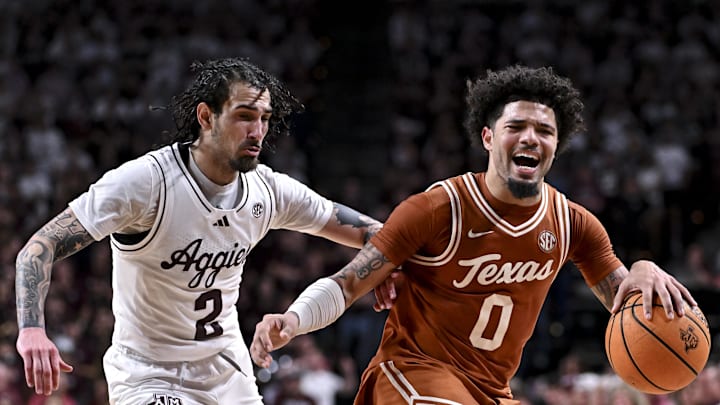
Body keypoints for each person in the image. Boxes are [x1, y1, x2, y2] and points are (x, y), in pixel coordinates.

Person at [250, 65, 698, 405]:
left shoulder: (573, 224)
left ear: (556, 146)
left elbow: (624, 301)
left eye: (544, 130)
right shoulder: (438, 208)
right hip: (414, 374)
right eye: (516, 127)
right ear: (488, 137)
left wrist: (643, 268)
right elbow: (349, 283)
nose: (531, 137)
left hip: (492, 392)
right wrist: (292, 320)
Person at [15, 57, 384, 404]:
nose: (257, 131)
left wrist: (384, 264)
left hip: (226, 371)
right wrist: (31, 328)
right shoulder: (146, 184)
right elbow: (40, 246)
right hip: (149, 374)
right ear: (206, 116)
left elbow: (378, 235)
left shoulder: (268, 191)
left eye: (264, 118)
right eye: (244, 116)